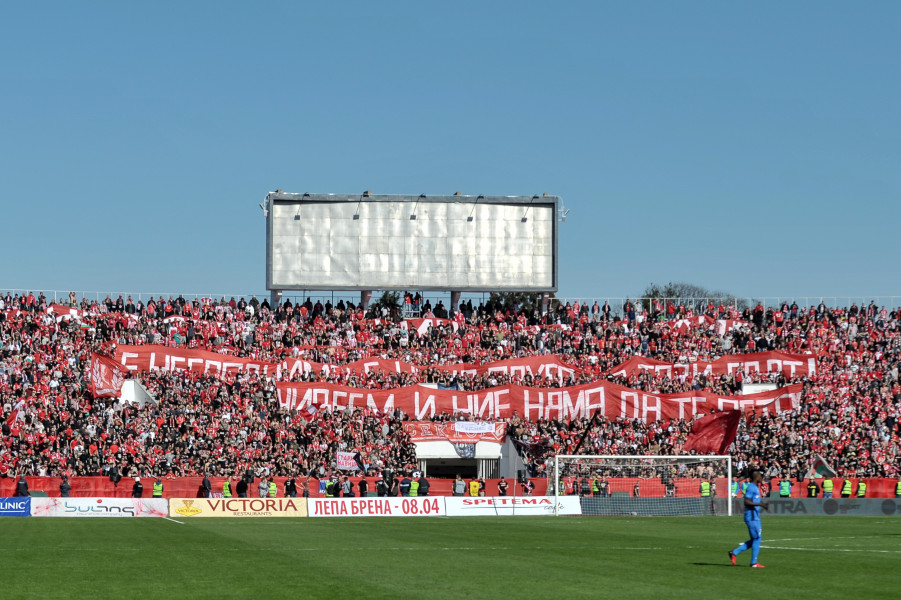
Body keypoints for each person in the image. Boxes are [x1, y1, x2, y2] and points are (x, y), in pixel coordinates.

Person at [728, 470, 769, 568]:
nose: (761, 477)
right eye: (760, 475)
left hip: (754, 515)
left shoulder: (755, 487)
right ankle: (753, 563)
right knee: (757, 538)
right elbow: (746, 501)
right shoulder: (751, 487)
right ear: (756, 477)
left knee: (755, 539)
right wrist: (761, 504)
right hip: (752, 516)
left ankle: (734, 553)